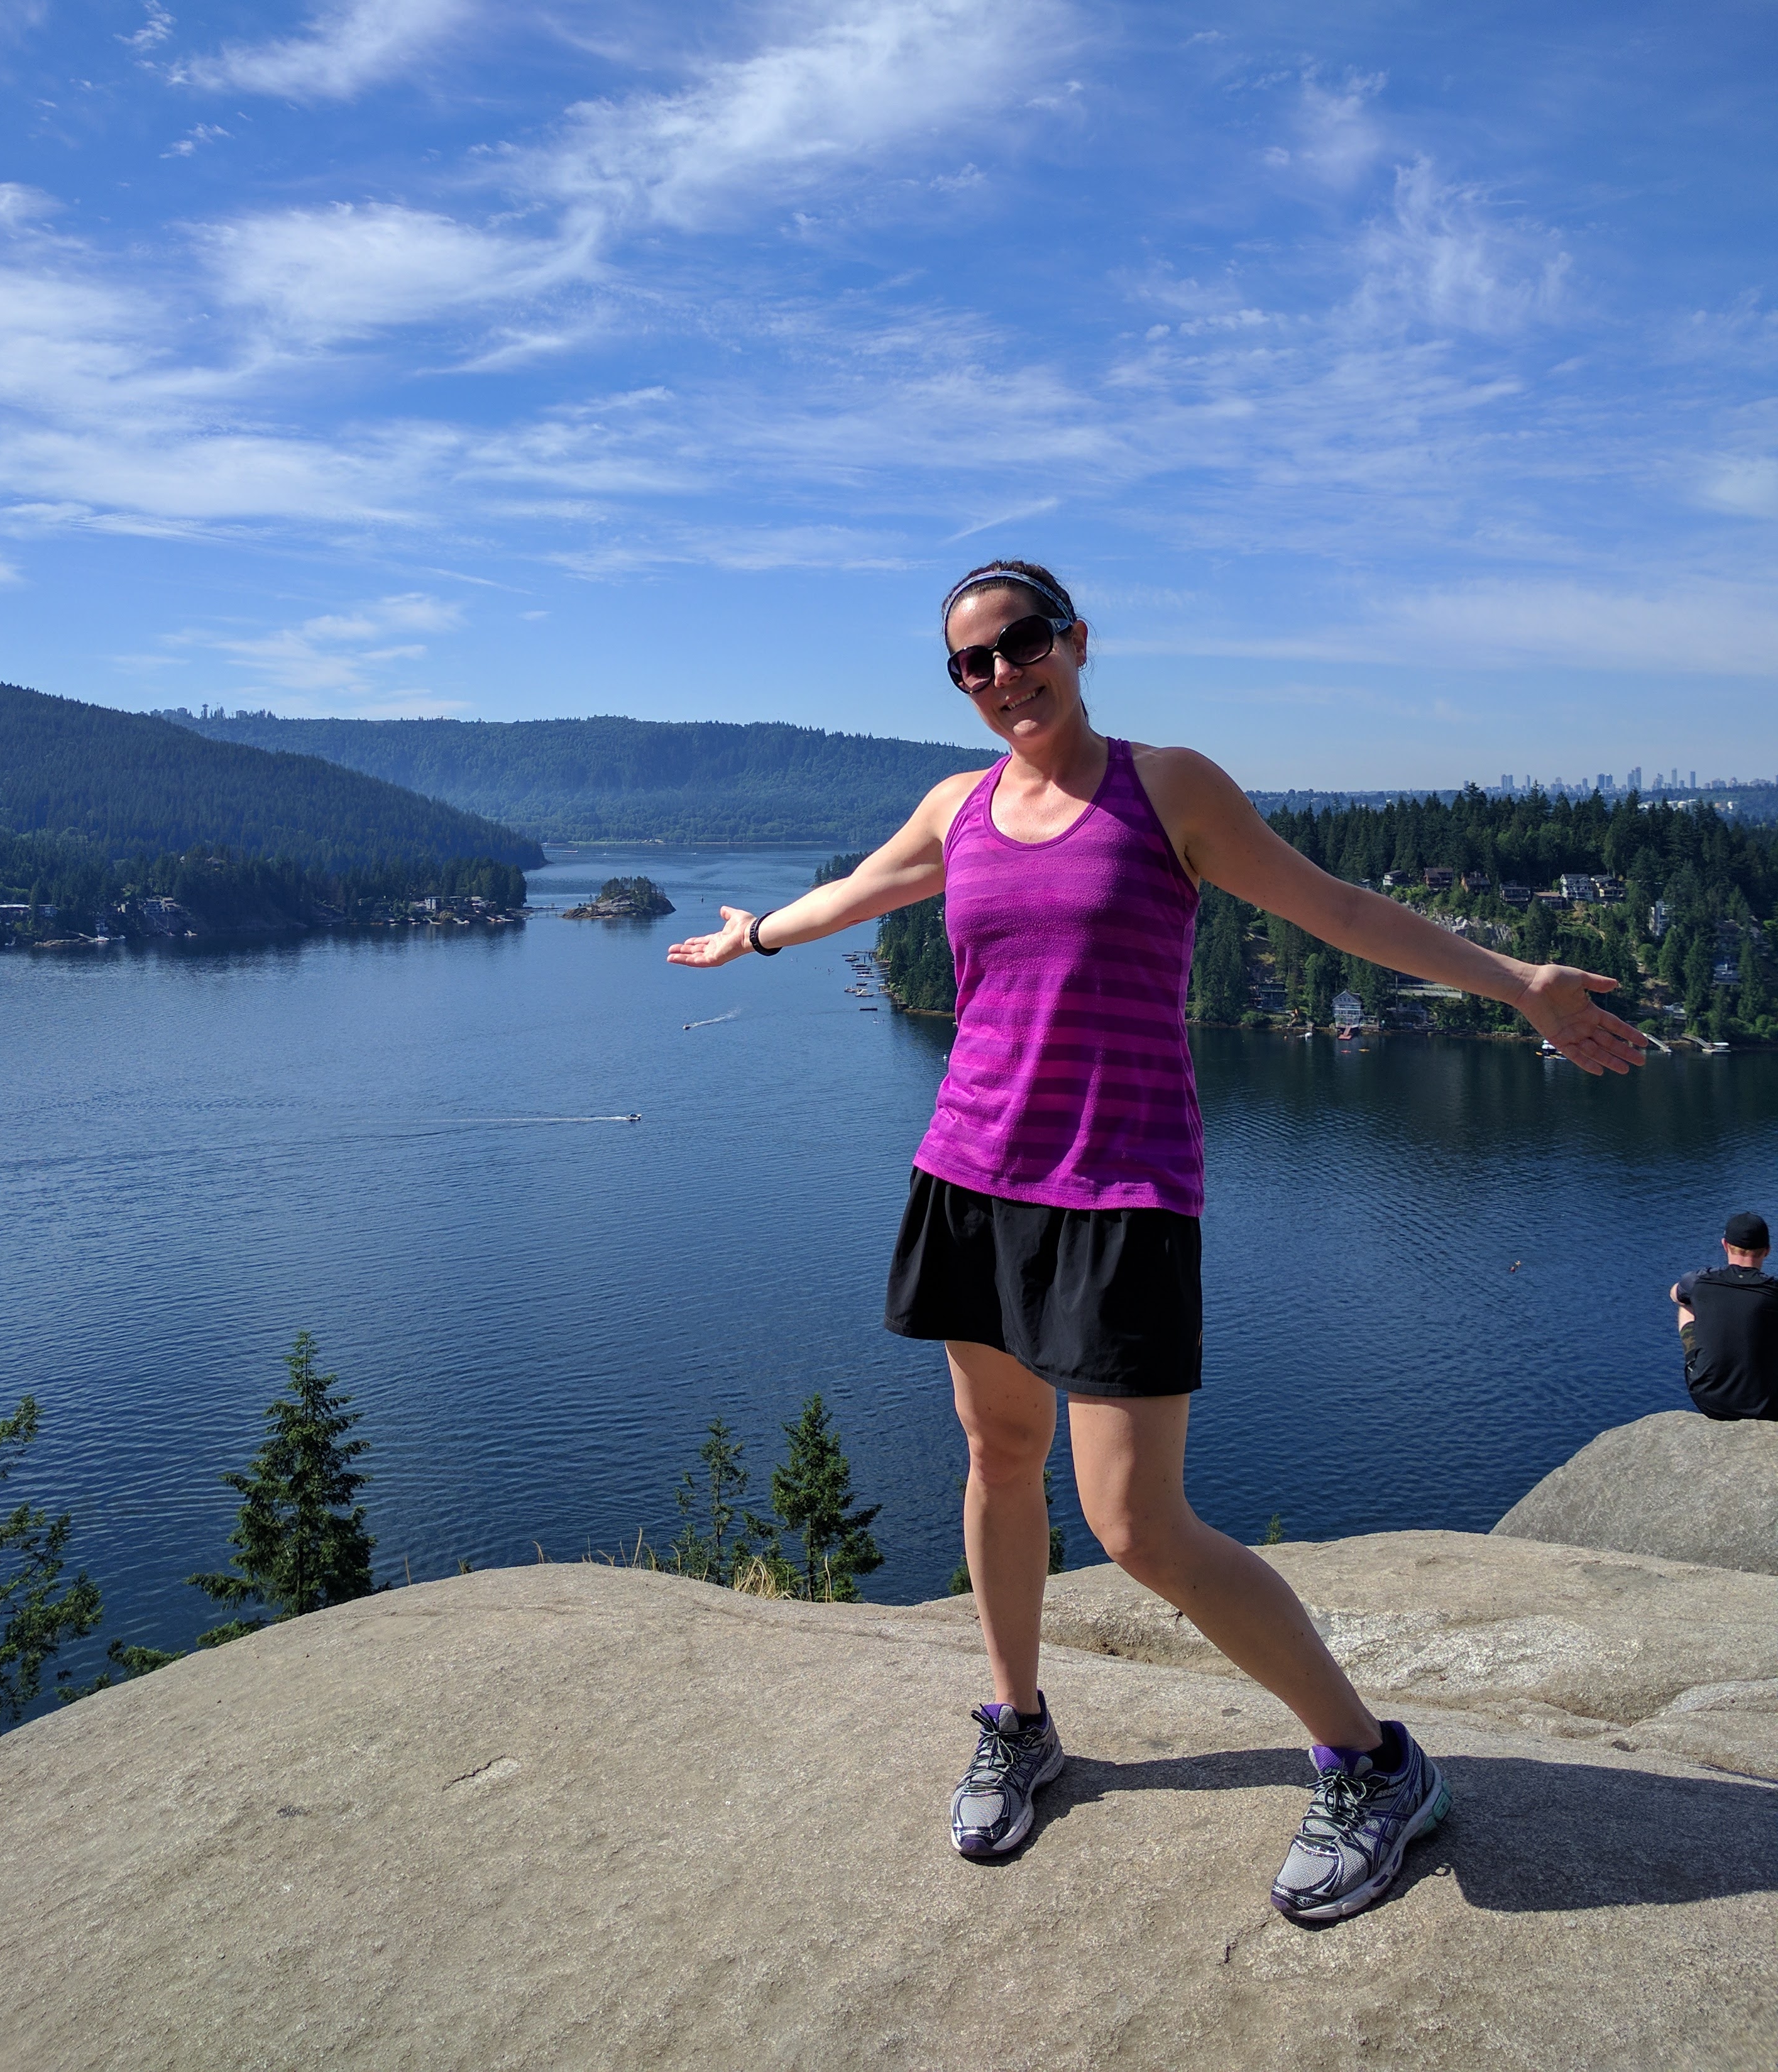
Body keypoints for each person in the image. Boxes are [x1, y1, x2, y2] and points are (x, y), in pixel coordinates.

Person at [667, 558, 1647, 1924]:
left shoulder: (1167, 788)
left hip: (1122, 1192)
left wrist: (1518, 982)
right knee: (997, 1458)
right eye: (970, 663)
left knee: (1136, 1525)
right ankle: (1018, 1721)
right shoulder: (957, 807)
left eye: (1021, 643)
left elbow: (1336, 910)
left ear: (1076, 640)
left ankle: (1376, 1764)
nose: (1002, 676)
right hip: (969, 1175)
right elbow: (865, 890)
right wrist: (756, 934)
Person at [1671, 1211, 1778, 1422]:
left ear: (1725, 1245)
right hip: (1767, 1406)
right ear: (1767, 1251)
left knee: (1687, 1306)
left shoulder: (1699, 1281)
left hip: (1709, 1398)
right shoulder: (1773, 1291)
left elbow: (1675, 1294)